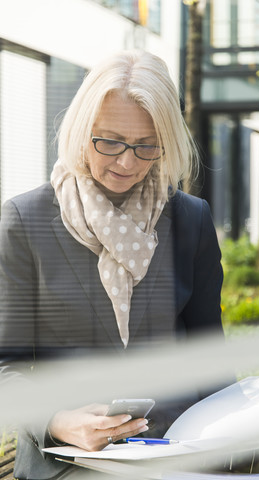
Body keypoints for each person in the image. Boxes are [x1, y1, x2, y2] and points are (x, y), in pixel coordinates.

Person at [0, 50, 225, 479]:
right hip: (63, 464)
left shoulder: (190, 219)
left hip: (176, 458)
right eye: (109, 141)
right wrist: (57, 420)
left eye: (146, 146)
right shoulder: (24, 221)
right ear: (82, 130)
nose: (127, 162)